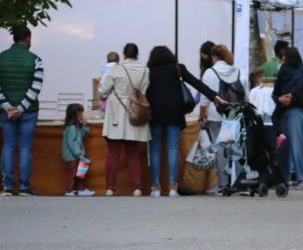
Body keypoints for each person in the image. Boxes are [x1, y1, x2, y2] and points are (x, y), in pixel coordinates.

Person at [146, 46, 225, 197]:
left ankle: (155, 188)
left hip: (155, 116)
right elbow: (197, 83)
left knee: (155, 150)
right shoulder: (178, 69)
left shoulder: (149, 72)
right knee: (173, 149)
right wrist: (214, 96)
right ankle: (173, 188)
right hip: (174, 115)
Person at [98, 43, 150, 197]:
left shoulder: (117, 69)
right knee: (133, 152)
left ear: (124, 54)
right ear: (137, 54)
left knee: (113, 152)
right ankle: (137, 188)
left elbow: (102, 92)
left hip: (116, 114)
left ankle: (110, 188)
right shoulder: (145, 71)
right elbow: (144, 90)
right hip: (135, 112)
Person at [0, 26, 44, 196]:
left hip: (5, 112)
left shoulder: (1, 58)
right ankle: (25, 187)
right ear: (28, 39)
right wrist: (21, 108)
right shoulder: (36, 60)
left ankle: (8, 187)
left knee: (8, 146)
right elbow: (36, 87)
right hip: (29, 111)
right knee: (25, 147)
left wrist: (7, 107)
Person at [199, 45, 245, 193]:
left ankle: (222, 185)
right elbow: (245, 93)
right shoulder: (237, 71)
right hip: (235, 115)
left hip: (216, 115)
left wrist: (201, 116)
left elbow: (204, 99)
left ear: (214, 57)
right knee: (236, 147)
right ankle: (238, 182)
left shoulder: (210, 73)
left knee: (219, 149)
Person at [272, 48, 303, 190]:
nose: (282, 60)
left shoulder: (288, 71)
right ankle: (296, 177)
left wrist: (283, 98)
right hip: (293, 110)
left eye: (284, 57)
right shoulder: (299, 72)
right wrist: (285, 97)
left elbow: (276, 92)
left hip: (289, 110)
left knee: (290, 145)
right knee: (293, 145)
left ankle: (293, 177)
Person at [62, 103, 94, 197]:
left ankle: (81, 189)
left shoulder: (77, 127)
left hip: (78, 155)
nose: (82, 116)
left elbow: (83, 135)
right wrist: (79, 153)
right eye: (80, 113)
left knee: (81, 172)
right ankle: (69, 190)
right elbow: (71, 142)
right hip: (72, 156)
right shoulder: (71, 128)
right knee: (72, 173)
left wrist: (84, 125)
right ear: (74, 114)